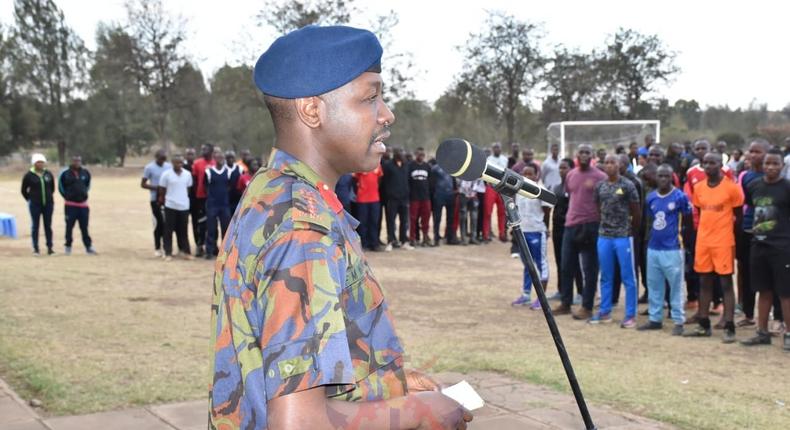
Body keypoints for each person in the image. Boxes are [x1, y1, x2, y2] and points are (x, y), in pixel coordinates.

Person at [209, 25, 472, 430]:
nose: (387, 114)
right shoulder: (301, 227)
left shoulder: (276, 192)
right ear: (312, 111)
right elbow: (299, 423)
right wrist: (417, 414)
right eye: (370, 97)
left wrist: (388, 386)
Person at [683, 152, 743, 343]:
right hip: (704, 242)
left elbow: (738, 216)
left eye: (712, 163)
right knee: (704, 282)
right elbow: (700, 213)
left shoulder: (732, 188)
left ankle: (729, 325)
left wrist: (729, 235)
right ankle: (703, 324)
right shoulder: (698, 188)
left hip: (723, 242)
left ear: (721, 165)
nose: (708, 166)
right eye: (705, 163)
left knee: (725, 283)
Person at [740, 148, 790, 351]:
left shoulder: (787, 188)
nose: (770, 167)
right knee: (763, 290)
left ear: (782, 166)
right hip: (759, 245)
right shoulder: (754, 186)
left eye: (775, 163)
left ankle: (788, 334)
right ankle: (762, 332)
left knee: (785, 293)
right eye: (767, 163)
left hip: (782, 247)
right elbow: (753, 209)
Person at [552, 144, 607, 318]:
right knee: (566, 266)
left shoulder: (600, 176)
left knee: (590, 268)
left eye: (587, 152)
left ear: (592, 156)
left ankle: (587, 306)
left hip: (591, 225)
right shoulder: (571, 175)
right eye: (581, 152)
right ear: (576, 155)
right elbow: (571, 197)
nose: (584, 155)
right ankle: (566, 303)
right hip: (571, 225)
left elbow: (604, 202)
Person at [589, 155, 641, 327]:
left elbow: (636, 211)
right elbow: (597, 208)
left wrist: (630, 231)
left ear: (620, 165)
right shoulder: (600, 186)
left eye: (613, 162)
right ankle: (604, 312)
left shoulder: (628, 185)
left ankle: (630, 315)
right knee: (605, 276)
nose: (610, 165)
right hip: (604, 236)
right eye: (607, 162)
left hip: (623, 237)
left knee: (628, 277)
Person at [639, 164, 691, 334]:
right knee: (654, 285)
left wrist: (686, 245)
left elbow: (688, 221)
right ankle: (655, 319)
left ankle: (678, 320)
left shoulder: (679, 197)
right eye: (660, 176)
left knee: (675, 286)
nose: (662, 179)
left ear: (672, 177)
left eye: (666, 176)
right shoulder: (650, 197)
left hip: (672, 249)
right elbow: (651, 221)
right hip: (654, 248)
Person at [735, 139, 769, 328]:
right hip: (748, 228)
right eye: (751, 151)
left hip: (770, 232)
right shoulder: (746, 176)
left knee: (768, 274)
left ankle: (776, 316)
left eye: (757, 151)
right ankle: (748, 314)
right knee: (746, 271)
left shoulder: (777, 176)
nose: (753, 155)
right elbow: (746, 203)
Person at [511, 164, 552, 309]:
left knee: (541, 264)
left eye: (530, 174)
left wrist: (546, 228)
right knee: (528, 264)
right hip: (523, 231)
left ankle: (542, 298)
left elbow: (546, 211)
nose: (527, 177)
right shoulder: (518, 189)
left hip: (537, 231)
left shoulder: (540, 190)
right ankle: (526, 295)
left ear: (536, 175)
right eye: (525, 174)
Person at [549, 158, 583, 303]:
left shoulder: (575, 188)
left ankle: (581, 292)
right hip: (557, 229)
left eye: (565, 168)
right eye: (560, 168)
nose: (562, 171)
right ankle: (561, 290)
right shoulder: (556, 188)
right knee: (559, 261)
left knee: (574, 262)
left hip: (571, 228)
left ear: (572, 169)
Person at [158, 154, 194, 261]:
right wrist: (164, 201)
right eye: (177, 162)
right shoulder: (166, 174)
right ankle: (168, 252)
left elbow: (188, 189)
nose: (179, 164)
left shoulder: (187, 174)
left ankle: (185, 252)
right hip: (170, 205)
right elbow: (162, 190)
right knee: (168, 230)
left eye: (181, 162)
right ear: (172, 163)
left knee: (183, 230)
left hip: (183, 206)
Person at [58, 155, 96, 255]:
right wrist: (68, 196)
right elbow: (61, 187)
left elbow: (87, 186)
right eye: (75, 161)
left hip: (83, 206)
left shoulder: (85, 173)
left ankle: (88, 247)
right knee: (69, 227)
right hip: (70, 205)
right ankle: (68, 246)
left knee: (84, 227)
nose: (77, 162)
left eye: (78, 161)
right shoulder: (65, 173)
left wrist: (83, 195)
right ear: (71, 161)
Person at [21, 153, 55, 256]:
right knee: (35, 226)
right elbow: (23, 190)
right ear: (34, 163)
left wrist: (48, 198)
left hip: (48, 204)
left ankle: (50, 248)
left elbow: (52, 188)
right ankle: (36, 248)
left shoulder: (48, 174)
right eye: (38, 162)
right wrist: (30, 199)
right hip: (35, 205)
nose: (40, 164)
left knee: (48, 226)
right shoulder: (28, 175)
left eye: (42, 162)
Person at [141, 149, 172, 257]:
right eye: (161, 158)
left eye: (164, 159)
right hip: (155, 199)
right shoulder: (149, 168)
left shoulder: (169, 167)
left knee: (166, 224)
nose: (163, 160)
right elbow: (143, 184)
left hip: (168, 199)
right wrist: (157, 188)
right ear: (156, 157)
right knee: (158, 223)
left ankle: (166, 247)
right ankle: (157, 247)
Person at [204, 148, 233, 258]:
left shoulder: (228, 172)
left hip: (224, 205)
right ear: (214, 158)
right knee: (211, 228)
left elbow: (230, 186)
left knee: (225, 228)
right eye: (218, 157)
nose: (220, 159)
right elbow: (206, 187)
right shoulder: (208, 172)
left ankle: (224, 252)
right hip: (212, 205)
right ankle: (210, 251)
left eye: (222, 157)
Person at [381, 147, 411, 251]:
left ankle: (404, 241)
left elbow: (408, 180)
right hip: (392, 199)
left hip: (404, 198)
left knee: (404, 221)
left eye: (403, 154)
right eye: (400, 154)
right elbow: (384, 182)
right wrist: (388, 194)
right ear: (396, 155)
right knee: (391, 221)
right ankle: (391, 241)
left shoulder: (406, 165)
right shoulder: (388, 166)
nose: (402, 155)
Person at [191, 144, 215, 257]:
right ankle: (199, 246)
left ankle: (213, 245)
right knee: (201, 223)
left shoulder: (216, 163)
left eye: (205, 149)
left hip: (213, 198)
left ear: (211, 151)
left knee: (213, 223)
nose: (202, 151)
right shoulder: (197, 163)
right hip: (200, 198)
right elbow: (194, 181)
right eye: (202, 149)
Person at [354, 164, 384, 252]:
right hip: (362, 199)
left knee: (374, 222)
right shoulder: (360, 164)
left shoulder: (378, 165)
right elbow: (355, 178)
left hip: (375, 198)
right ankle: (364, 244)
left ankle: (374, 244)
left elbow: (380, 178)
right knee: (363, 222)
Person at [483, 142, 508, 242]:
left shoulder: (505, 159)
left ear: (501, 149)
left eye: (498, 147)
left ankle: (502, 233)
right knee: (488, 212)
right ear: (492, 149)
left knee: (502, 212)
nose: (497, 149)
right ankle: (486, 234)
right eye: (495, 148)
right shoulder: (488, 160)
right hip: (491, 187)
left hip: (502, 188)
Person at [430, 160, 459, 246]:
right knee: (437, 218)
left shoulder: (451, 168)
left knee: (450, 218)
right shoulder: (435, 168)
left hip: (450, 195)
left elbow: (453, 180)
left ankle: (449, 238)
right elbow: (432, 183)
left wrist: (455, 190)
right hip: (439, 195)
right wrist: (433, 195)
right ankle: (436, 238)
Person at [408, 147, 432, 247]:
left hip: (425, 197)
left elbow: (430, 181)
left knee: (426, 219)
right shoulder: (410, 166)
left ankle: (425, 237)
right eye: (419, 155)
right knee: (413, 219)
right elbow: (407, 181)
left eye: (423, 155)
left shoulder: (427, 166)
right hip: (414, 197)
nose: (421, 156)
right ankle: (412, 238)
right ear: (415, 155)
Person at [458, 178, 483, 245]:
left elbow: (480, 184)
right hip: (463, 194)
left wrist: (475, 190)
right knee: (463, 217)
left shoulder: (477, 170)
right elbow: (458, 181)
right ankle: (463, 238)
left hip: (474, 195)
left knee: (474, 217)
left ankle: (473, 238)